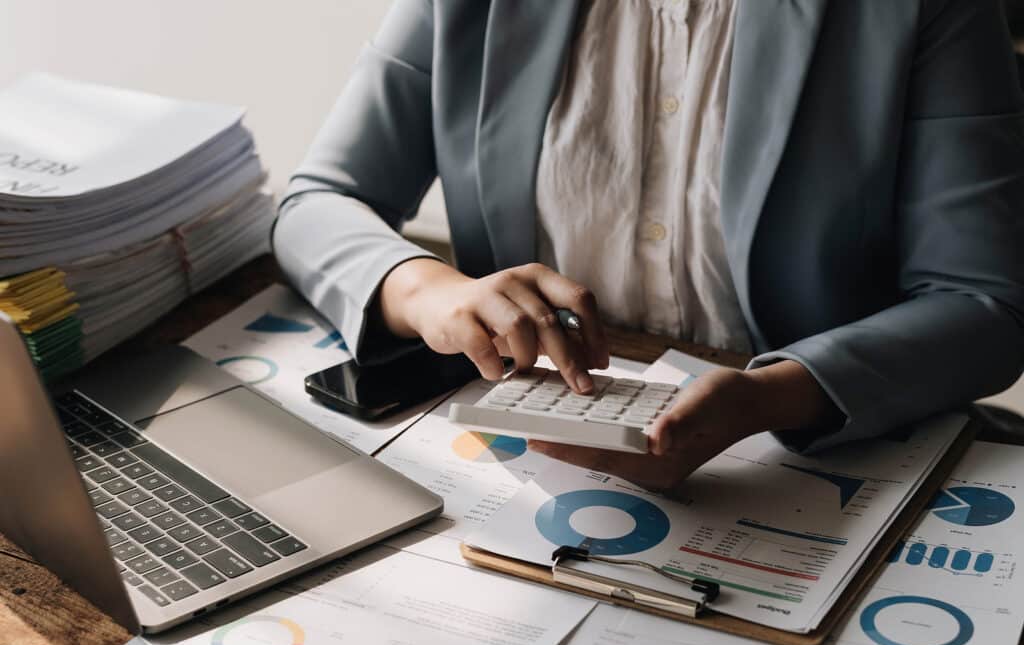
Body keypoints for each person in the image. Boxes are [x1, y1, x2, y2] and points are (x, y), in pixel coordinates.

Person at [274, 0, 1024, 497]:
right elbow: (317, 203)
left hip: (798, 469)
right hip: (521, 466)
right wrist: (429, 291)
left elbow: (984, 303)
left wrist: (770, 396)